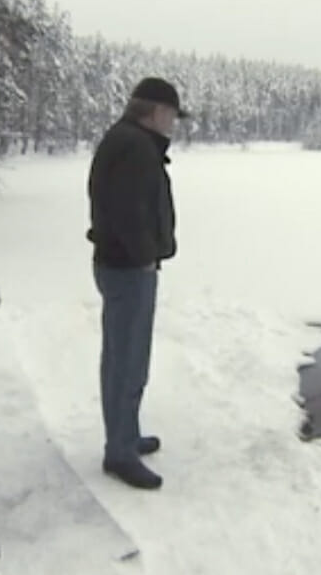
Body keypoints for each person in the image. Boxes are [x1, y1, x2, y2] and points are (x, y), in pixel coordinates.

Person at [86, 77, 187, 490]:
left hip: (124, 265)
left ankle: (125, 436)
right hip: (128, 269)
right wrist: (146, 255)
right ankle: (119, 452)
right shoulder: (134, 147)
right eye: (173, 115)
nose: (174, 124)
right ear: (155, 111)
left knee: (127, 357)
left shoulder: (131, 142)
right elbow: (128, 212)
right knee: (127, 362)